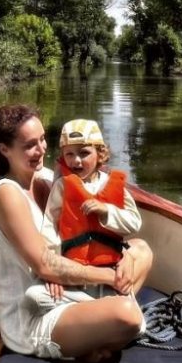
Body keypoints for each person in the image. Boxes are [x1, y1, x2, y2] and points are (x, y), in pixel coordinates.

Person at [0, 104, 151, 361]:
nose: (41, 149)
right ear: (4, 149)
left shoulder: (46, 178)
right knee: (128, 315)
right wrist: (109, 276)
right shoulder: (7, 193)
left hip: (69, 287)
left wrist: (121, 258)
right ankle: (98, 331)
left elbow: (66, 242)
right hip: (36, 310)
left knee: (141, 250)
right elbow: (45, 264)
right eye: (30, 145)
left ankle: (96, 332)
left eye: (43, 139)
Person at [41, 119, 141, 297]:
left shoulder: (115, 186)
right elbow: (50, 228)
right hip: (76, 272)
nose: (76, 160)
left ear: (100, 154)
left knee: (128, 316)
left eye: (84, 153)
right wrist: (53, 273)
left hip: (112, 268)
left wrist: (106, 211)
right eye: (69, 154)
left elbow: (134, 223)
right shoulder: (62, 187)